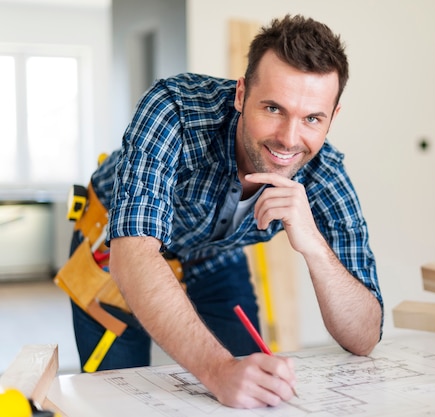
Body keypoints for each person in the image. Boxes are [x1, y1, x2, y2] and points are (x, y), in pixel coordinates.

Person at [70, 14, 383, 408]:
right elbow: (133, 255)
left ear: (332, 118)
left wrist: (315, 247)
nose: (289, 138)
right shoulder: (175, 109)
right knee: (118, 394)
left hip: (213, 253)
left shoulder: (326, 173)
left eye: (312, 118)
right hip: (112, 247)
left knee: (255, 384)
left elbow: (365, 335)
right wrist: (217, 371)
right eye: (273, 108)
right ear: (241, 95)